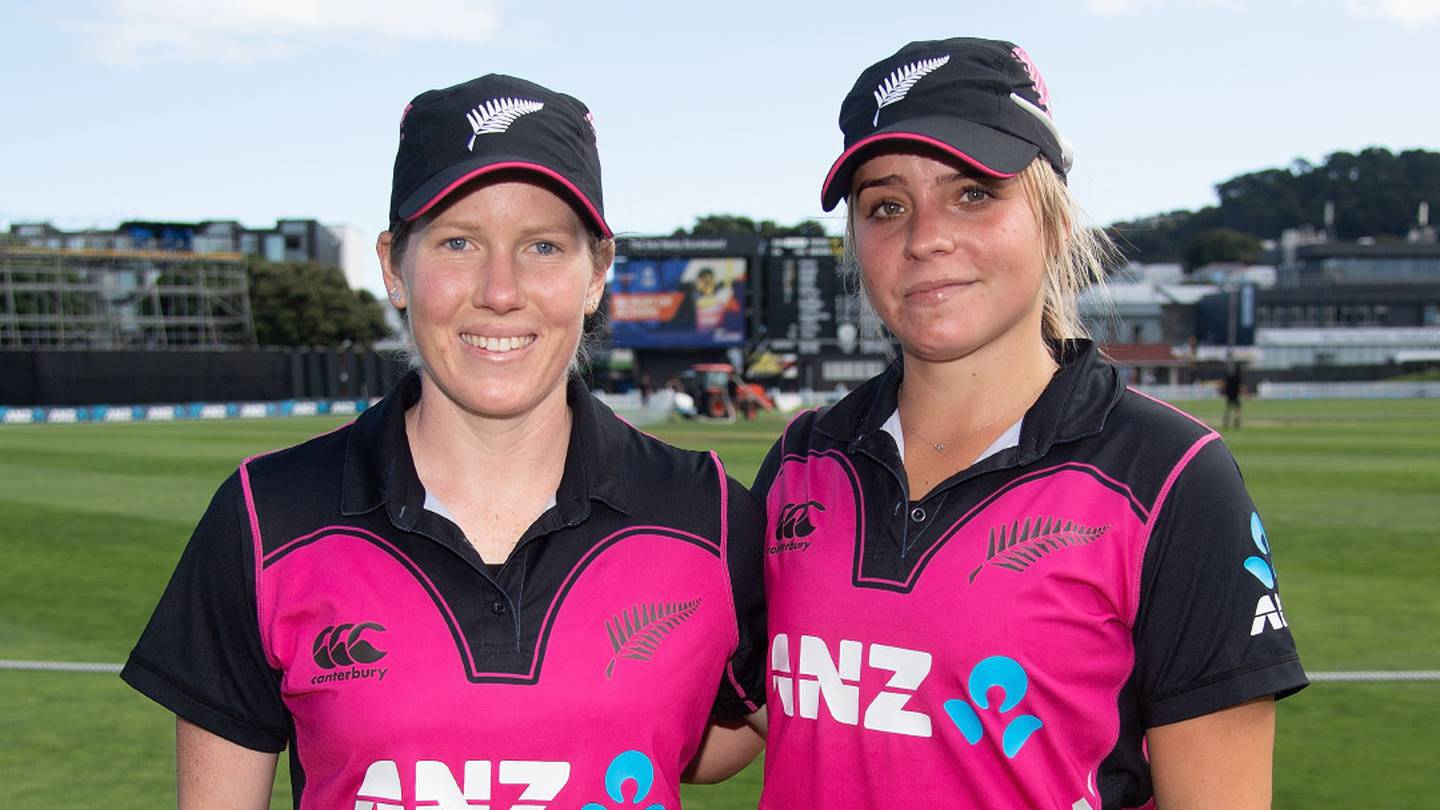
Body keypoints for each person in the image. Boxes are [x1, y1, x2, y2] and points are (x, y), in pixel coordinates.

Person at [121, 74, 765, 808]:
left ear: (598, 273)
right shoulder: (267, 517)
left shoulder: (705, 512)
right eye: (459, 241)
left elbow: (757, 739)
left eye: (544, 246)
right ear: (395, 265)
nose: (499, 289)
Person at [748, 38, 1307, 809]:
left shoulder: (1171, 478)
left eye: (973, 193)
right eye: (886, 205)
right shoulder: (803, 461)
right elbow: (724, 726)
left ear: (1051, 215)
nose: (924, 238)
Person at [1224, 362, 1246, 429]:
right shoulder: (1238, 377)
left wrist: (1225, 392)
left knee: (1228, 409)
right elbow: (1240, 387)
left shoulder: (1228, 377)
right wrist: (1245, 394)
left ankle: (1226, 422)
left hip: (1230, 394)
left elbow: (1225, 386)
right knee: (1238, 409)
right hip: (1236, 395)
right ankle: (1237, 422)